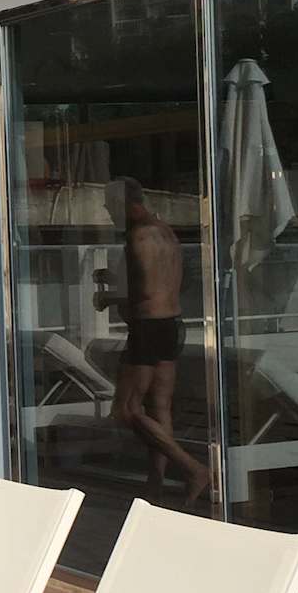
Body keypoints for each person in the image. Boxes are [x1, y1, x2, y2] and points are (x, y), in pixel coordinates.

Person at [94, 176, 213, 505]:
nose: (108, 213)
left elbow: (145, 291)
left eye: (109, 206)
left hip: (148, 327)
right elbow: (165, 280)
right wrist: (113, 278)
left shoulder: (138, 236)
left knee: (126, 409)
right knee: (159, 407)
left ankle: (193, 468)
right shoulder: (165, 231)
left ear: (124, 204)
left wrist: (109, 299)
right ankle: (155, 485)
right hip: (172, 323)